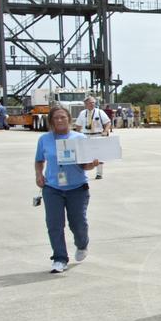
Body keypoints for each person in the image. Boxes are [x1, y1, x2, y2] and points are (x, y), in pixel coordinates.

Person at [34, 105, 100, 273]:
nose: (60, 120)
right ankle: (59, 258)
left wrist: (92, 165)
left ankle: (82, 244)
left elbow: (85, 165)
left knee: (78, 224)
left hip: (77, 187)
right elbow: (39, 160)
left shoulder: (79, 138)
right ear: (51, 121)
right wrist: (39, 174)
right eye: (56, 118)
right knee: (54, 224)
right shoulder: (44, 139)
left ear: (69, 119)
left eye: (63, 117)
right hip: (52, 188)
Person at [73, 96, 111, 179]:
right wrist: (77, 135)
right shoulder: (82, 113)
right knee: (84, 156)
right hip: (85, 136)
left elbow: (108, 122)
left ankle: (99, 173)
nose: (92, 104)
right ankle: (84, 173)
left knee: (99, 155)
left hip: (97, 135)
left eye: (93, 103)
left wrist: (105, 131)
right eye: (90, 103)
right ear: (85, 104)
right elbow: (78, 125)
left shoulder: (100, 112)